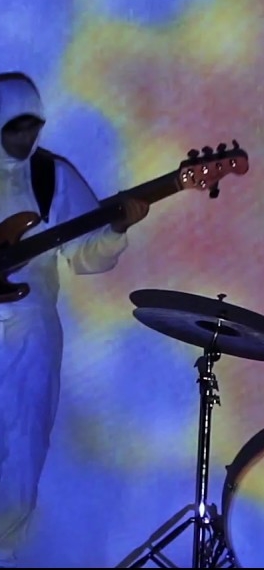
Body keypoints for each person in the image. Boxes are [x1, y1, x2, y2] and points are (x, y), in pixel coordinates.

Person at [0, 71, 150, 567]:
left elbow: (86, 254)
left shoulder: (50, 175)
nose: (25, 137)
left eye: (32, 126)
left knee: (22, 450)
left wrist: (115, 228)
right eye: (14, 127)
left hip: (29, 334)